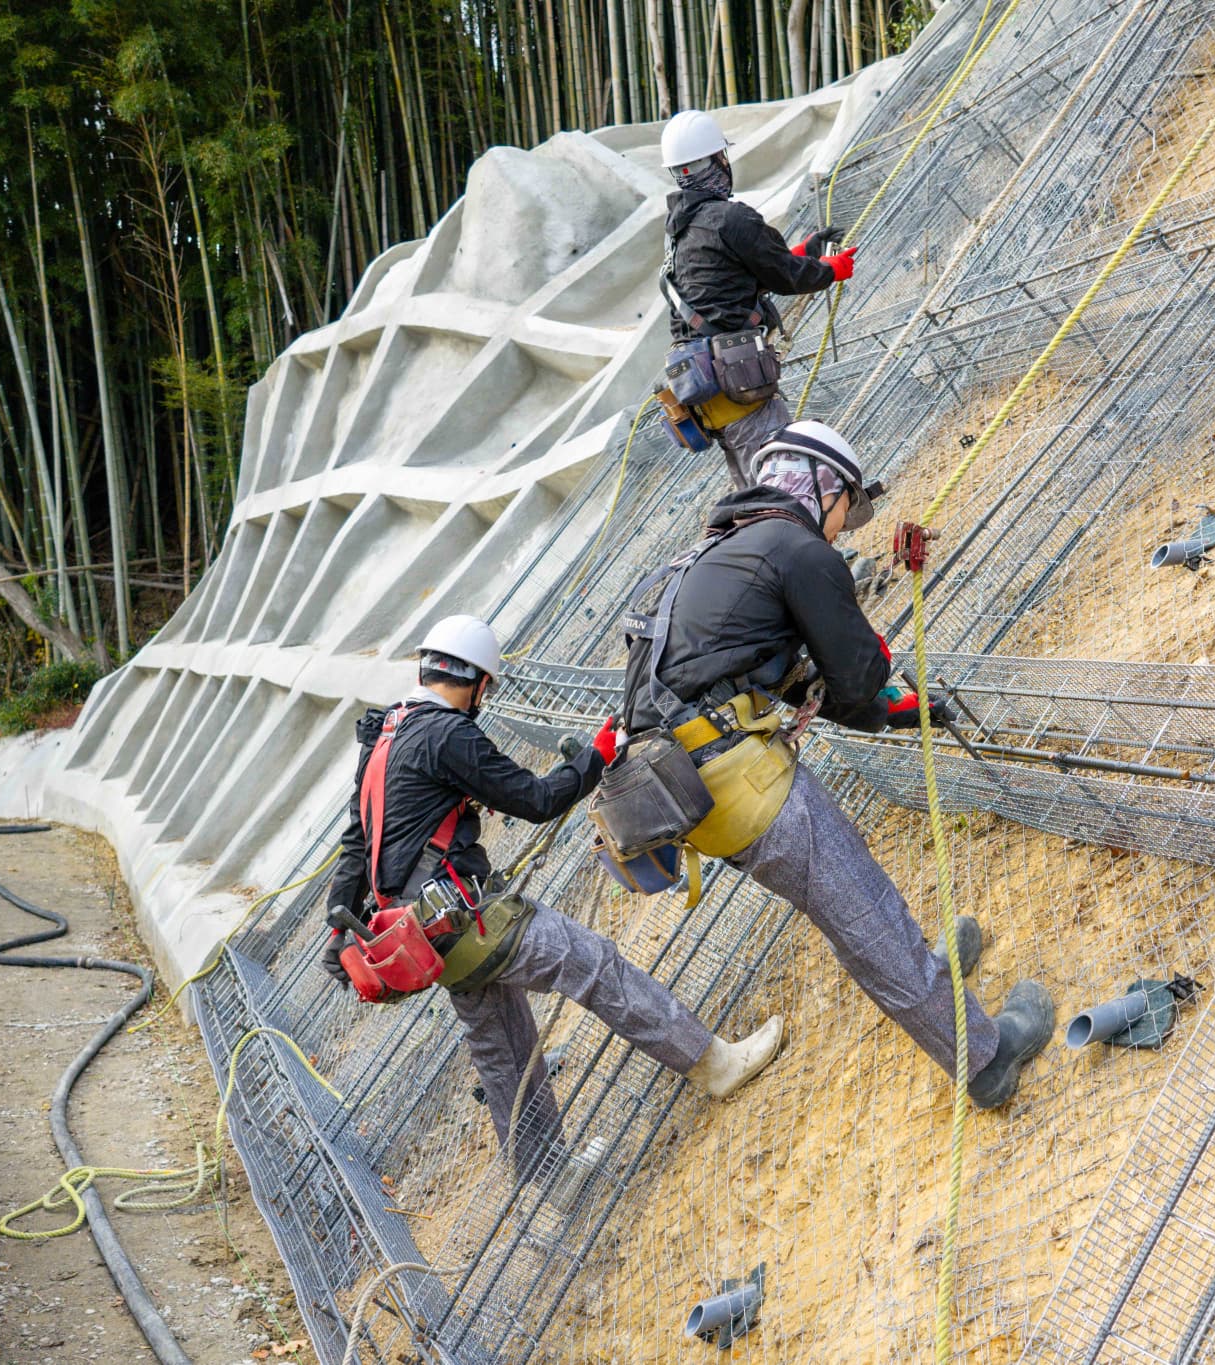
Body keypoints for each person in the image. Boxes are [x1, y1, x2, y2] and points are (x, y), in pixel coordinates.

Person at [609, 421, 1055, 1109]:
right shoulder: (798, 550)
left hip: (691, 794)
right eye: (849, 506)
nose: (846, 528)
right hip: (745, 786)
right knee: (867, 917)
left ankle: (931, 980)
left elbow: (791, 680)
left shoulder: (704, 561)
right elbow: (857, 672)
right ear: (820, 485)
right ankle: (986, 1059)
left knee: (856, 909)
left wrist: (897, 710)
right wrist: (885, 695)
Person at [321, 614, 784, 1195]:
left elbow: (357, 843)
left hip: (419, 933)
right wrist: (595, 755)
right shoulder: (448, 733)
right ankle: (715, 1065)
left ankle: (550, 1180)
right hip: (468, 921)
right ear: (478, 683)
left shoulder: (387, 732)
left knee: (504, 1054)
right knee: (593, 965)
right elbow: (537, 799)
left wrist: (337, 931)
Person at [659, 109, 856, 488]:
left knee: (753, 487)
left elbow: (732, 283)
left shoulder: (679, 233)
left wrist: (806, 251)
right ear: (715, 161)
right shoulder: (730, 218)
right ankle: (793, 546)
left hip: (709, 394)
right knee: (782, 487)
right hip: (740, 386)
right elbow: (784, 277)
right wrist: (831, 269)